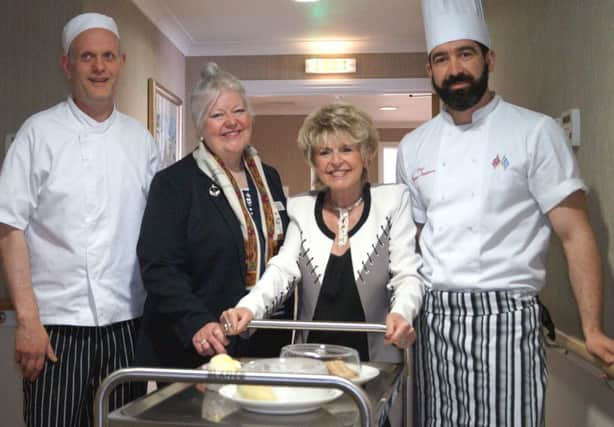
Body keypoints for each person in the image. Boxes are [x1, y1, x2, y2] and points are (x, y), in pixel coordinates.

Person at [396, 1, 614, 425]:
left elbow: (575, 234)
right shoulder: (413, 146)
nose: (454, 68)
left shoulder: (536, 131)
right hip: (435, 320)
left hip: (508, 319)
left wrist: (592, 328)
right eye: (441, 58)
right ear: (429, 70)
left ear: (488, 59)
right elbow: (413, 242)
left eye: (466, 53)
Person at [0, 13, 159, 427]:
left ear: (121, 62)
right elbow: (8, 228)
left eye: (108, 56)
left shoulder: (141, 142)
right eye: (87, 56)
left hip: (127, 322)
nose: (99, 67)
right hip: (55, 327)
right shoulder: (37, 133)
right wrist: (28, 321)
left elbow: (158, 233)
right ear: (66, 64)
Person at [221, 102, 424, 366]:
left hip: (377, 362)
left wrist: (402, 313)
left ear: (367, 154)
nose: (336, 161)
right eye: (325, 152)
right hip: (309, 363)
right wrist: (248, 307)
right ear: (313, 160)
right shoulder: (301, 207)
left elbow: (407, 274)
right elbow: (282, 269)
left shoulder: (393, 201)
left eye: (347, 149)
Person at [135, 62, 291, 370]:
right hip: (200, 344)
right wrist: (196, 323)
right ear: (199, 125)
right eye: (217, 114)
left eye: (239, 111)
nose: (231, 122)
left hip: (264, 343)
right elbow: (159, 267)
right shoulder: (175, 184)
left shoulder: (268, 178)